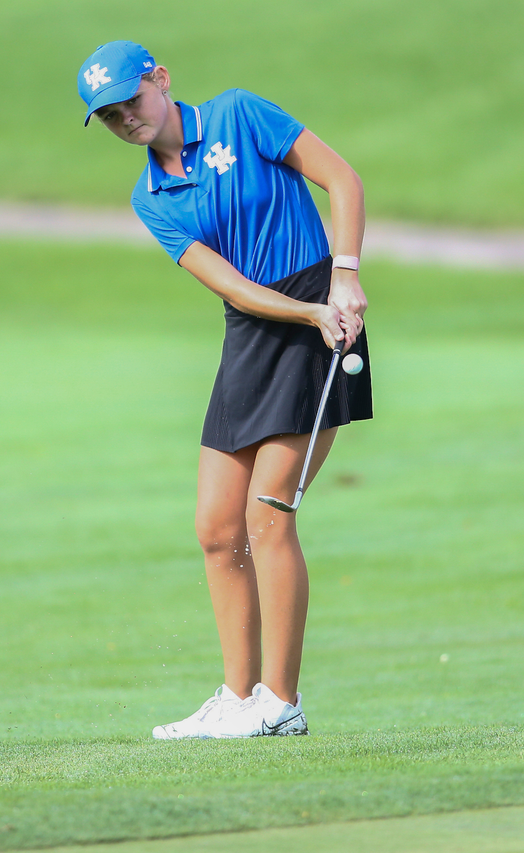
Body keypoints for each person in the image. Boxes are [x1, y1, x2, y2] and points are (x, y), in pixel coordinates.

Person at [77, 41, 372, 738]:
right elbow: (231, 286)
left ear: (160, 80)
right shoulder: (150, 197)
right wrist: (304, 312)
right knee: (216, 529)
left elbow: (342, 179)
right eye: (110, 115)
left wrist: (344, 275)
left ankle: (281, 702)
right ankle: (239, 698)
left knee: (268, 515)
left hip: (320, 318)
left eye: (131, 100)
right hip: (258, 328)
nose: (126, 118)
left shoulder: (240, 114)